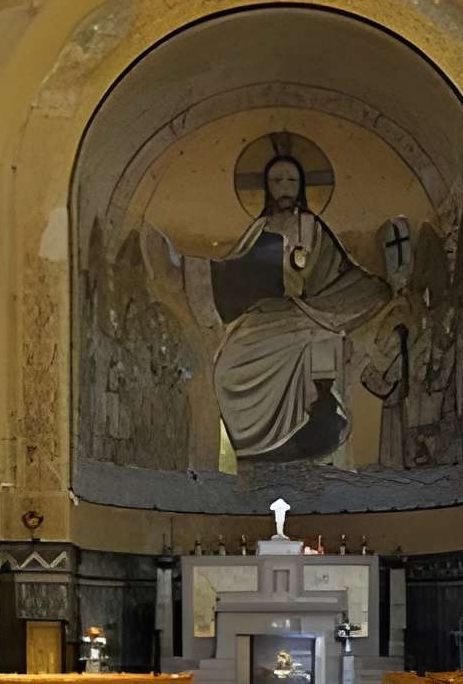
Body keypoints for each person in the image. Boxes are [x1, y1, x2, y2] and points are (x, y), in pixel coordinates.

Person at [154, 144, 400, 468]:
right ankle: (260, 452)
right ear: (267, 188)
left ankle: (303, 440)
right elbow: (231, 270)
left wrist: (369, 288)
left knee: (306, 349)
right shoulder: (259, 228)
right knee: (227, 366)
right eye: (277, 181)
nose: (284, 188)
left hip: (307, 312)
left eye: (290, 181)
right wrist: (189, 265)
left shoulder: (313, 227)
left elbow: (337, 270)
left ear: (301, 187)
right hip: (263, 316)